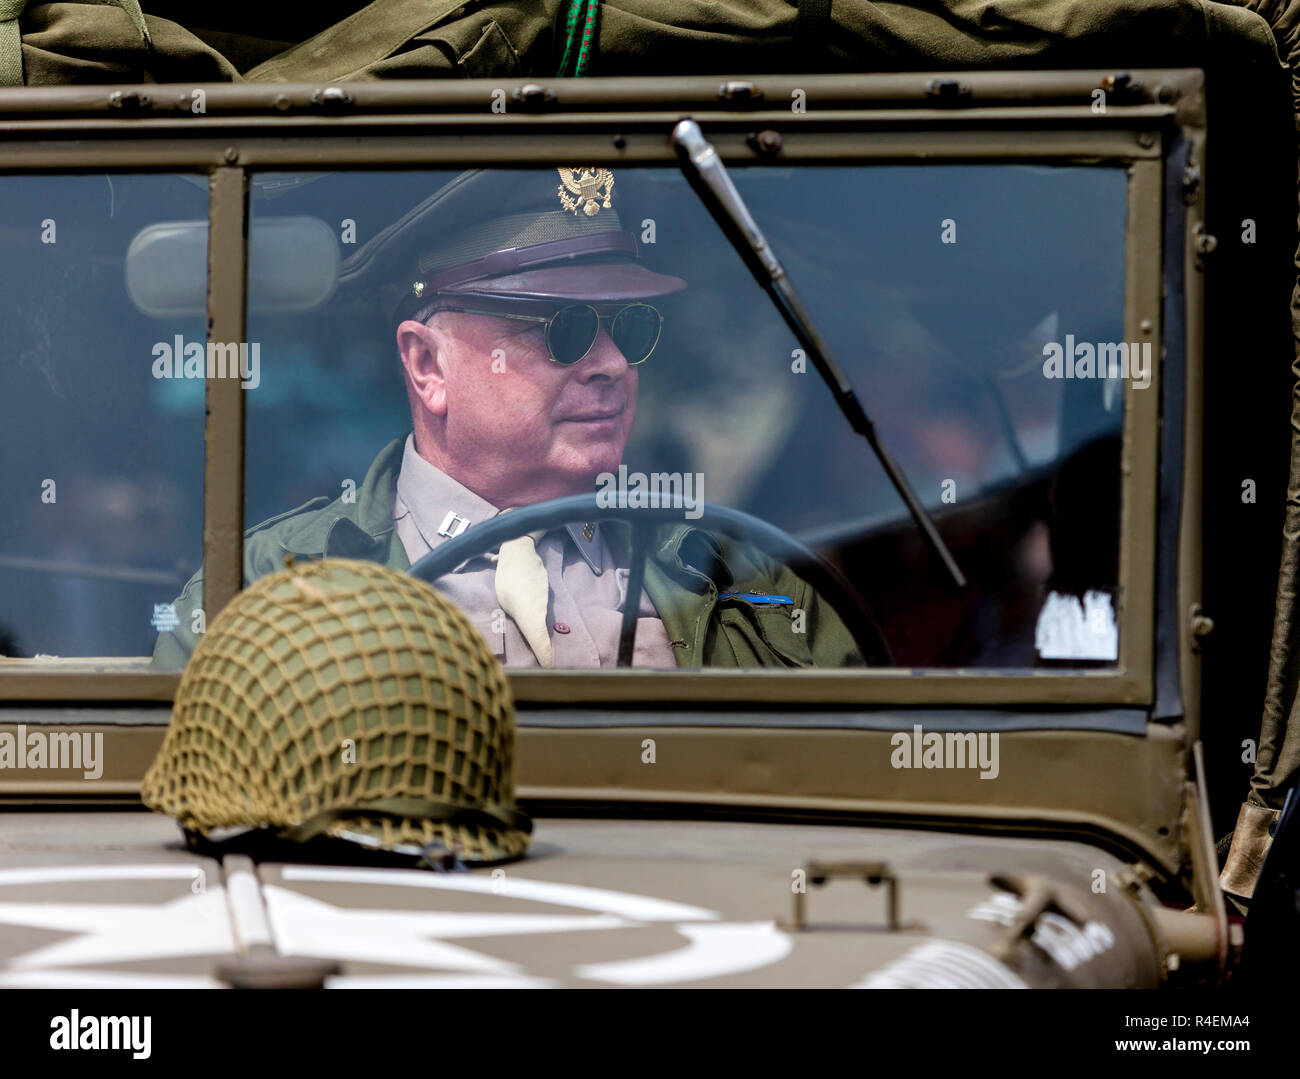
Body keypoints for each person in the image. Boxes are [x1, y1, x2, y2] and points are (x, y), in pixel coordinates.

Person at [152, 167, 865, 670]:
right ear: (427, 365)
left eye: (629, 327)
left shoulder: (744, 577)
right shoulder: (260, 596)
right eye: (562, 329)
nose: (613, 362)